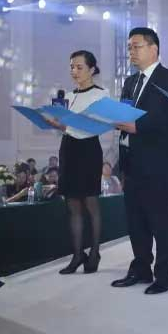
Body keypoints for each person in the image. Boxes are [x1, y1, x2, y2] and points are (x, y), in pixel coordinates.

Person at [112, 27, 168, 295]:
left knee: (160, 220)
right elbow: (125, 115)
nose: (131, 52)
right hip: (131, 161)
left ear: (153, 48)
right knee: (136, 220)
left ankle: (165, 274)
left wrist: (138, 126)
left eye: (137, 46)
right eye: (129, 47)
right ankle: (141, 267)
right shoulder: (130, 82)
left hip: (157, 162)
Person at [45, 50, 109, 274]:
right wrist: (55, 123)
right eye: (72, 67)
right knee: (72, 204)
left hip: (89, 149)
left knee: (91, 202)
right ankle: (77, 254)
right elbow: (65, 129)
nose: (74, 71)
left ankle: (95, 252)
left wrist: (68, 124)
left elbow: (98, 126)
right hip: (69, 149)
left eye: (79, 67)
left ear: (92, 69)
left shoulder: (101, 94)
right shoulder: (68, 97)